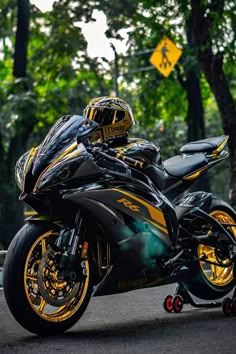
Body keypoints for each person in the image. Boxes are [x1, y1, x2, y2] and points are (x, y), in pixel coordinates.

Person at [83, 96, 164, 174]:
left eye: (101, 118)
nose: (92, 124)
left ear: (121, 120)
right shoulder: (96, 149)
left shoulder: (140, 147)